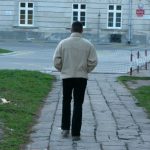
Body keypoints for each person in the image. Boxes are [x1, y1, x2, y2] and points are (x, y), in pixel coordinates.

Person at [53, 21, 98, 141]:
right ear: (82, 30)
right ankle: (76, 133)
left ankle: (65, 128)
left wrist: (62, 69)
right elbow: (93, 61)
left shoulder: (63, 43)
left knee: (66, 101)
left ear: (71, 30)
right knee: (78, 103)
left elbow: (56, 60)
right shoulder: (88, 45)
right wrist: (85, 70)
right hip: (81, 77)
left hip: (67, 77)